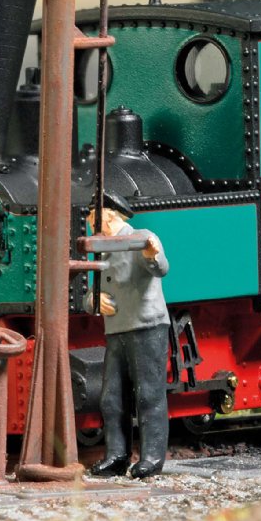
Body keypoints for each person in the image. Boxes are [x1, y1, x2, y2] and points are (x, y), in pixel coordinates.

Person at [87, 204, 170, 480]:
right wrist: (93, 300)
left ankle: (152, 458)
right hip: (116, 329)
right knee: (111, 397)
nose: (88, 222)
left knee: (148, 395)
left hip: (146, 325)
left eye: (92, 216)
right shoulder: (101, 247)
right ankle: (117, 456)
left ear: (108, 215)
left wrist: (153, 255)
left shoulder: (140, 236)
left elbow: (160, 267)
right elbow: (92, 291)